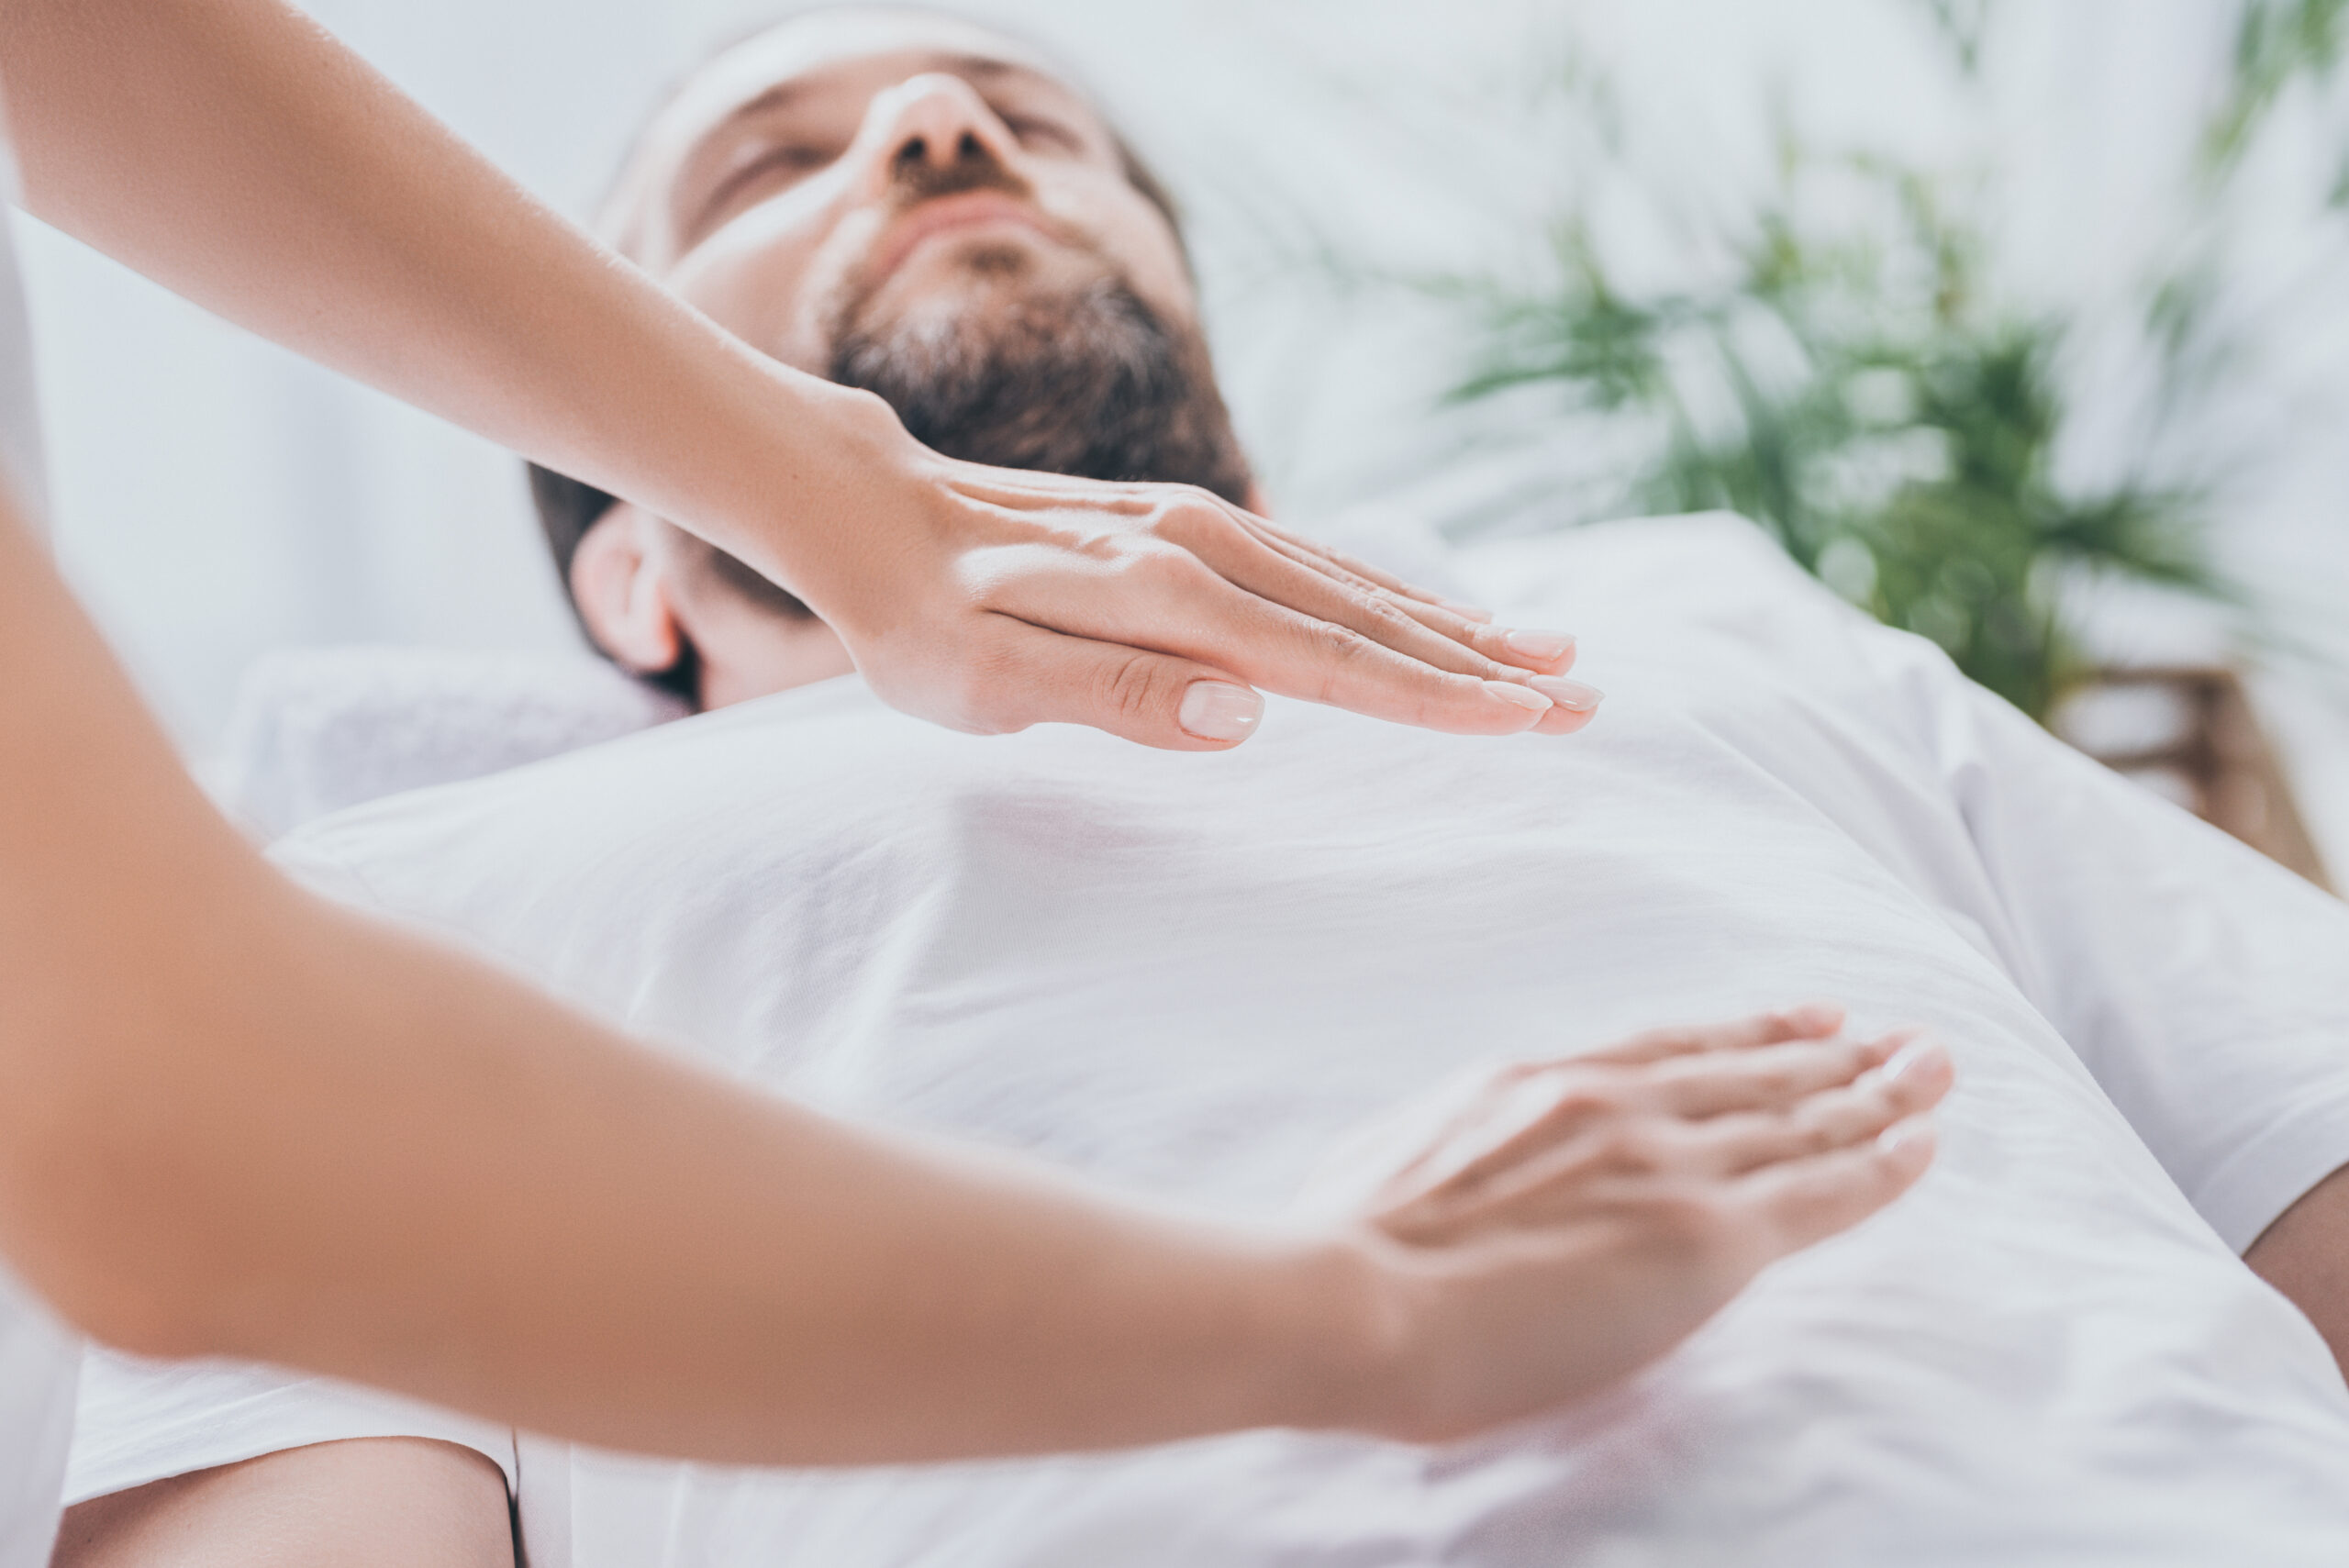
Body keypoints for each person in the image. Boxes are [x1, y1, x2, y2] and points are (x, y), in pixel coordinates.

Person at [58, 9, 2349, 1564]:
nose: (939, 132)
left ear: (1239, 439)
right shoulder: (360, 927)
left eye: (1029, 127)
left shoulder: (1692, 624)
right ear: (634, 566)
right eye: (770, 158)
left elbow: (2298, 1142)